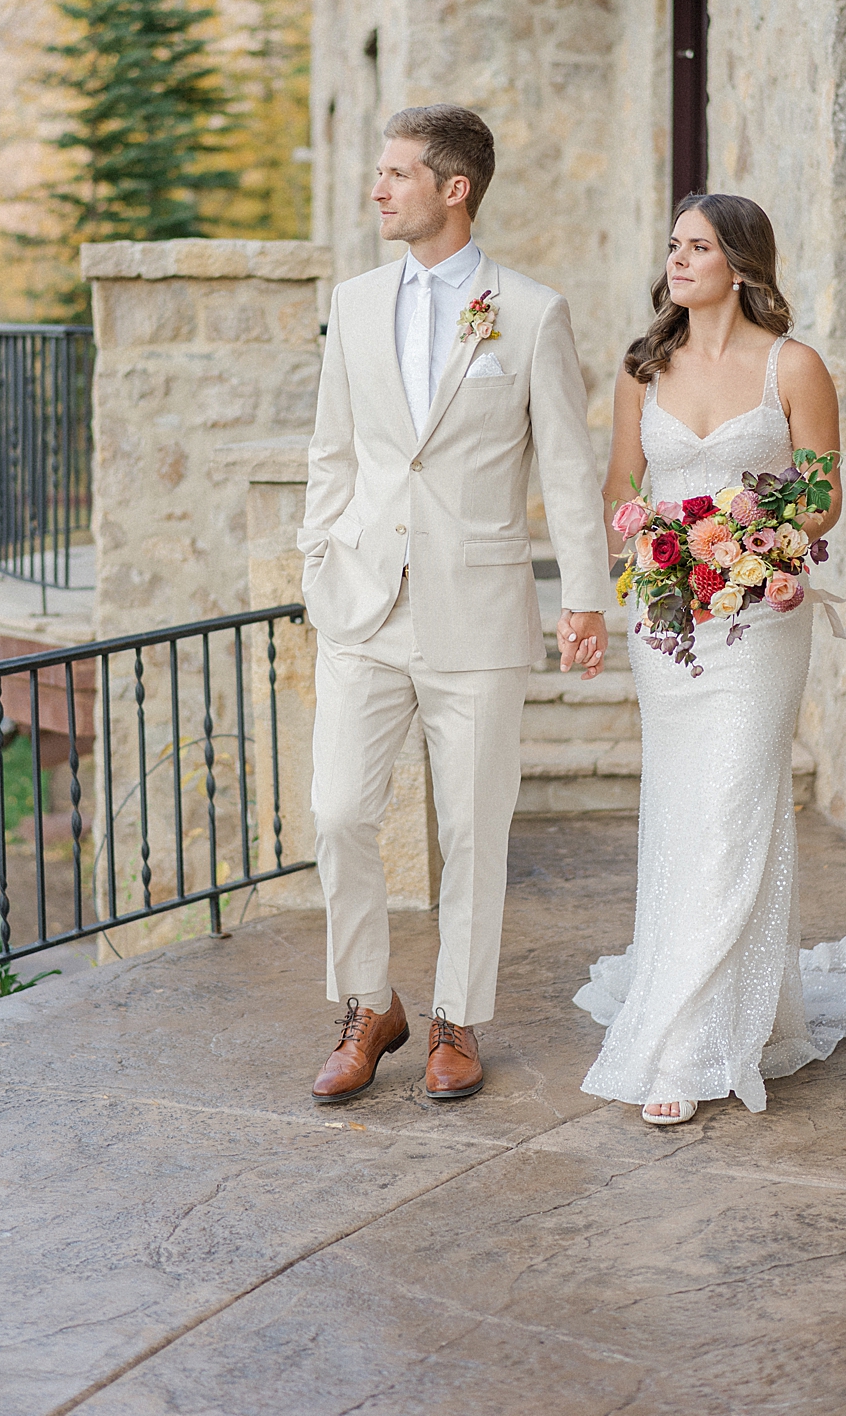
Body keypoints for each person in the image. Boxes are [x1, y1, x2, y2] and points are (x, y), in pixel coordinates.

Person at [299, 103, 609, 1104]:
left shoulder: (530, 312)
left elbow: (567, 469)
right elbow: (333, 450)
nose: (379, 189)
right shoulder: (351, 301)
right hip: (363, 604)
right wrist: (319, 559)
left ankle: (452, 1019)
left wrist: (586, 599)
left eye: (397, 174)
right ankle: (369, 1002)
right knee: (339, 811)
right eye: (381, 172)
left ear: (453, 188)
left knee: (476, 828)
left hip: (477, 611)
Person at [575, 192, 846, 1125]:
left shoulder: (793, 367)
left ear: (742, 264)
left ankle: (687, 1047)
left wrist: (751, 534)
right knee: (683, 813)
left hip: (759, 620)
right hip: (669, 623)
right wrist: (639, 553)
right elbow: (622, 489)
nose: (679, 260)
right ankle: (726, 1011)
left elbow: (822, 495)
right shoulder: (644, 368)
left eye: (699, 247)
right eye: (674, 245)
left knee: (736, 806)